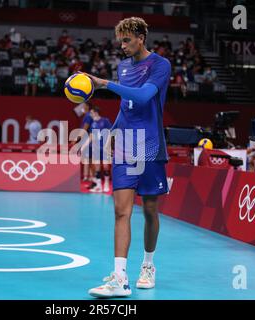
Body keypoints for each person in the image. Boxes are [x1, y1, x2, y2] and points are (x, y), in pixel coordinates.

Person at [86, 17, 171, 298]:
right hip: (125, 144)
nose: (122, 46)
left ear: (141, 38)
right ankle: (120, 278)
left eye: (127, 40)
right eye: (120, 41)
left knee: (149, 210)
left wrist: (106, 84)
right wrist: (113, 129)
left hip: (149, 145)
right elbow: (127, 105)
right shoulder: (123, 66)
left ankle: (148, 265)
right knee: (121, 211)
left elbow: (144, 97)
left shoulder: (160, 65)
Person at [86, 105, 112, 193]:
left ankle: (106, 184)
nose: (90, 115)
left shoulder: (105, 121)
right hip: (96, 148)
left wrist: (108, 146)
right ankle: (99, 186)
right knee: (97, 167)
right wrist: (83, 146)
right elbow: (91, 136)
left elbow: (109, 134)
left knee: (105, 166)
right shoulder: (93, 123)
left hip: (104, 147)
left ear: (96, 113)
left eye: (91, 113)